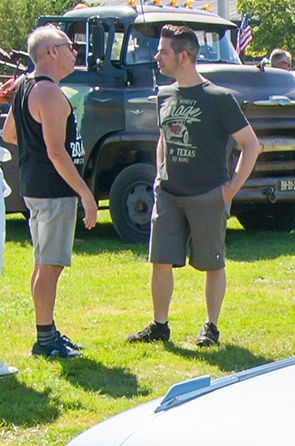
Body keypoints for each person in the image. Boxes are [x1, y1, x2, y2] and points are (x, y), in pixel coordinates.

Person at [127, 25, 261, 348]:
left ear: (183, 56)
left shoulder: (219, 98)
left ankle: (210, 328)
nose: (156, 57)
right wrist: (160, 174)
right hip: (169, 194)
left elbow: (251, 145)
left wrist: (229, 190)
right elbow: (163, 137)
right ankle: (160, 325)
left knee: (212, 262)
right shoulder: (165, 95)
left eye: (163, 52)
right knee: (160, 260)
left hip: (208, 195)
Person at [0, 25, 97, 359]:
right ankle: (45, 341)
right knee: (51, 264)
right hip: (53, 190)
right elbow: (57, 152)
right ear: (51, 52)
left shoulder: (25, 87)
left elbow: (9, 134)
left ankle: (48, 331)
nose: (74, 51)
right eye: (68, 46)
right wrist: (85, 193)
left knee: (44, 262)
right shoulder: (50, 93)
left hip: (33, 186)